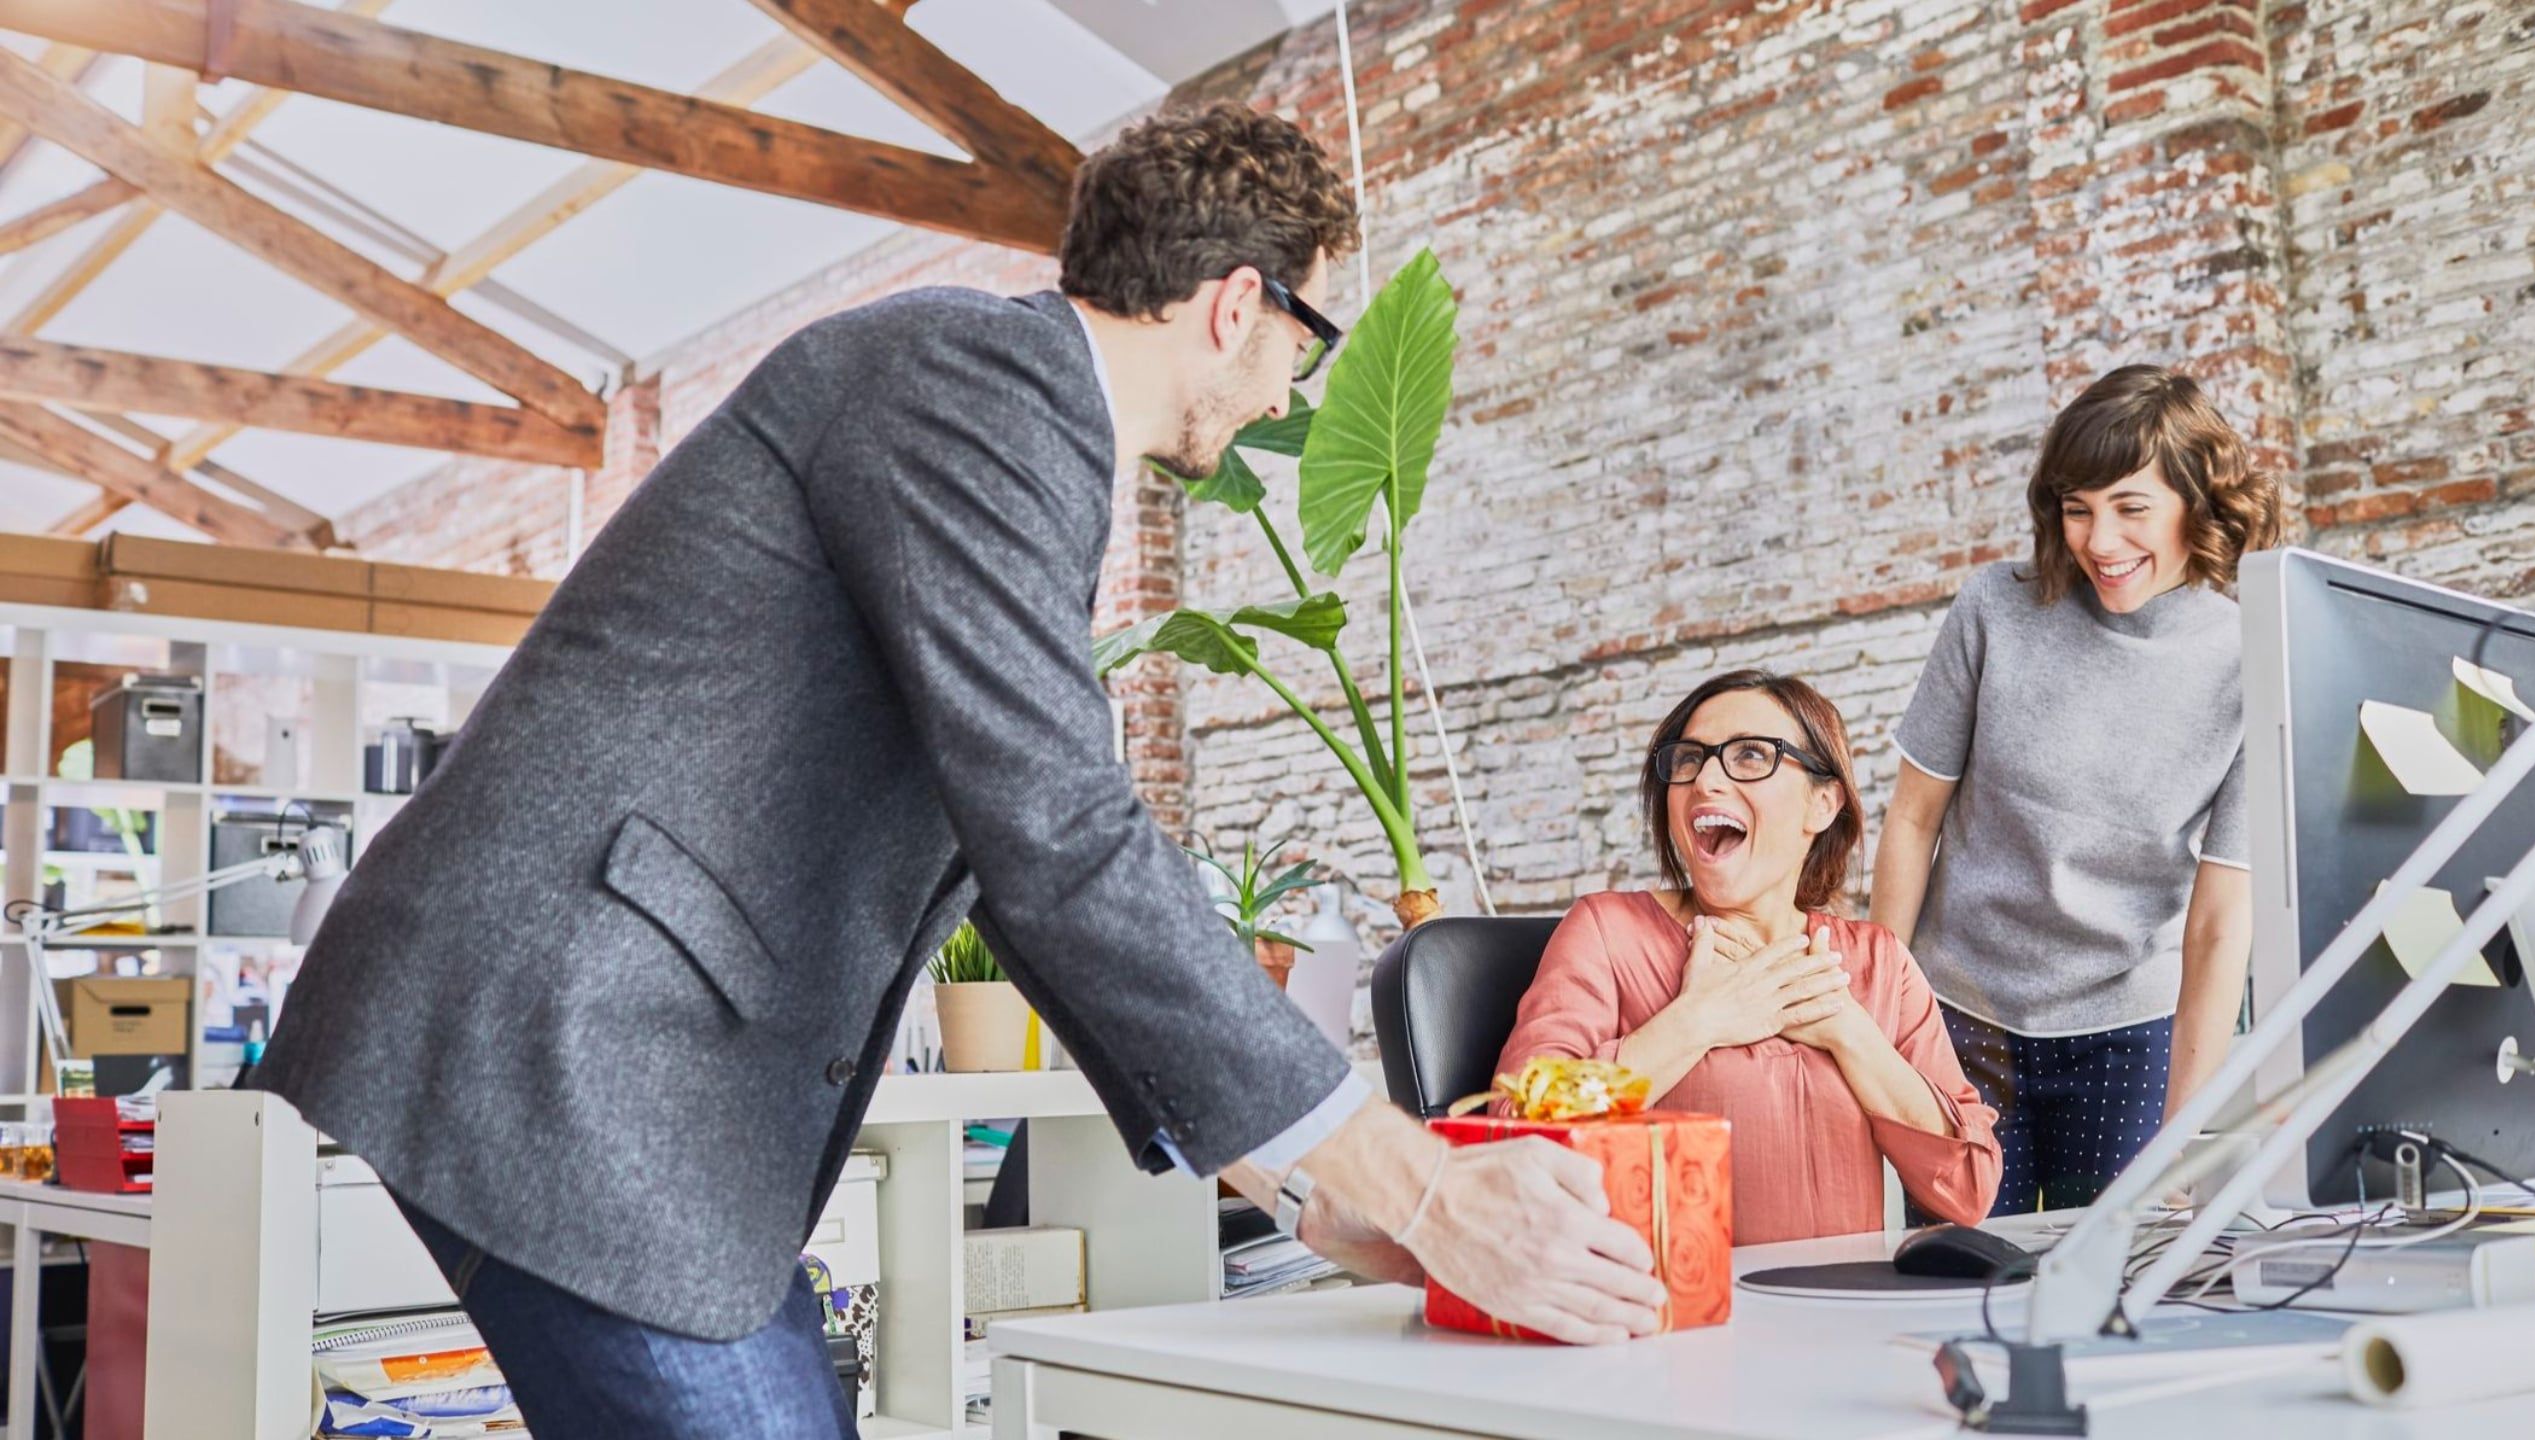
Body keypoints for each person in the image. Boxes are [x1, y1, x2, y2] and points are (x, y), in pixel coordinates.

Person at [257, 102, 1666, 1439]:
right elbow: (1061, 830)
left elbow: (1013, 846)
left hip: (602, 1058)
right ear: (1240, 303)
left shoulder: (998, 415)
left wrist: (1301, 1186)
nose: (1293, 383)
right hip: (571, 1040)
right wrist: (1415, 1185)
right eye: (1304, 333)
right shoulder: (981, 382)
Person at [1869, 365, 2280, 1215]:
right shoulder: (1995, 609)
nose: (2100, 539)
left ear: (2195, 504)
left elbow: (2220, 919)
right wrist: (1886, 1012)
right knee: (1966, 1273)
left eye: (2132, 508)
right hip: (1962, 1016)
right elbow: (1912, 820)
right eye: (2078, 507)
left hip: (2127, 1031)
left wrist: (2185, 1132)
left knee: (2120, 1286)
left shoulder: (2252, 664)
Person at [1494, 669, 1999, 1244]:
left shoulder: (1878, 964)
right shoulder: (1609, 934)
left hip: (1841, 1318)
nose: (1705, 778)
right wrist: (1700, 1019)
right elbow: (1520, 1142)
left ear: (1822, 803)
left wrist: (1848, 1033)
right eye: (1688, 759)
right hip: (1673, 1321)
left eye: (1752, 755)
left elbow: (1967, 1191)